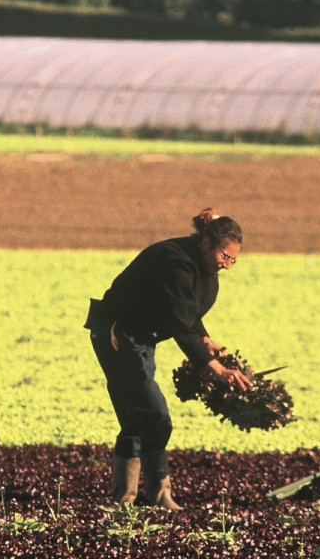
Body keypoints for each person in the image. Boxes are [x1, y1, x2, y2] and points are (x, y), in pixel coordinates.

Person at [85, 208, 252, 510]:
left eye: (233, 260)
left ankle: (128, 499)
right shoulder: (174, 261)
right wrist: (213, 367)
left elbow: (188, 314)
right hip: (117, 335)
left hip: (141, 340)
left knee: (136, 418)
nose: (227, 266)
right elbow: (178, 320)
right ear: (206, 244)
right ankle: (159, 496)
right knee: (155, 416)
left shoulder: (201, 268)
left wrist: (206, 340)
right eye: (224, 257)